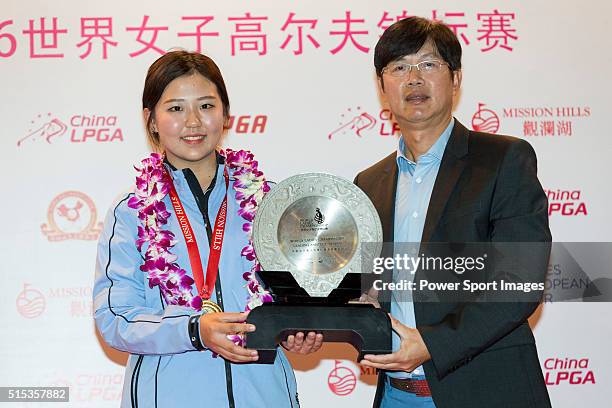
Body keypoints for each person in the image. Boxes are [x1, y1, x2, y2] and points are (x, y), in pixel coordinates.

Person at [93, 50, 322, 408]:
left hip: (264, 395)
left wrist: (299, 329)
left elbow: (300, 294)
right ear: (150, 120)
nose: (193, 122)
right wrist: (192, 330)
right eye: (175, 108)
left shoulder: (270, 201)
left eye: (205, 106)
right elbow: (114, 317)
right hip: (167, 396)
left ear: (226, 113)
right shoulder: (133, 212)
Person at [355, 17, 552, 408]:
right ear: (382, 87)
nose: (414, 79)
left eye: (428, 64)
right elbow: (369, 287)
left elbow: (519, 281)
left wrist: (431, 343)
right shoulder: (369, 183)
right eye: (399, 67)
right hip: (395, 395)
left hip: (487, 392)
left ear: (456, 78)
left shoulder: (502, 159)